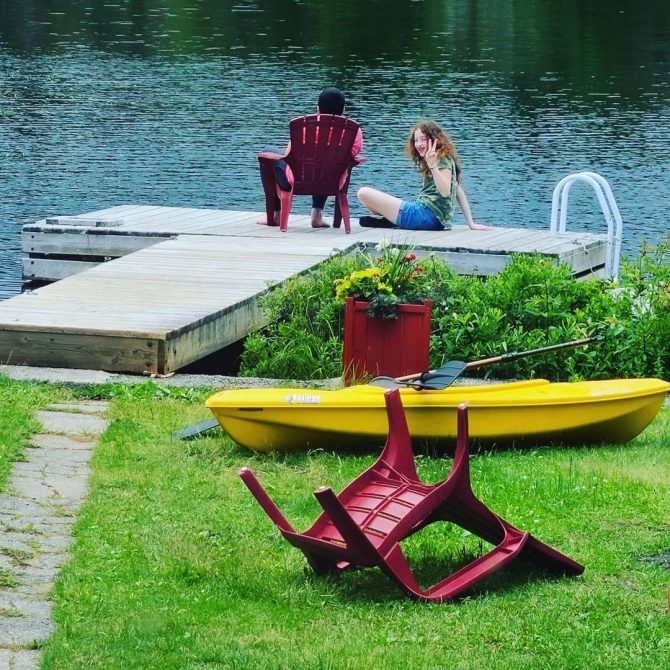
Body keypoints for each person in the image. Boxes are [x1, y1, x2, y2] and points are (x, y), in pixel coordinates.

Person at [357, 120, 493, 231]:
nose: (419, 144)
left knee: (363, 193)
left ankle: (394, 221)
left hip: (426, 217)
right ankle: (392, 221)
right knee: (372, 206)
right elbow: (457, 190)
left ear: (434, 140)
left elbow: (445, 191)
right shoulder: (442, 158)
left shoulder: (441, 160)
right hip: (432, 219)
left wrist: (433, 166)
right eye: (416, 140)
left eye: (423, 139)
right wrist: (470, 223)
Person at [258, 86, 363, 228]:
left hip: (297, 179)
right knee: (327, 164)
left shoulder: (304, 126)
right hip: (333, 180)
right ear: (343, 110)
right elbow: (353, 155)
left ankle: (275, 215)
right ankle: (317, 215)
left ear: (317, 109)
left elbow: (289, 154)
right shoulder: (353, 131)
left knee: (269, 151)